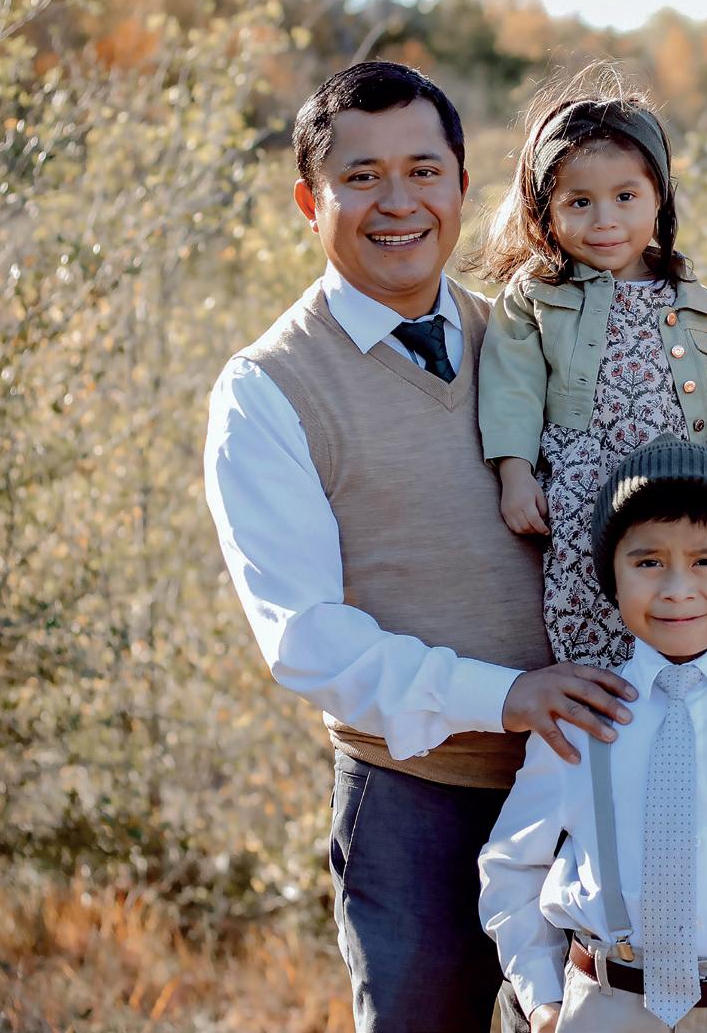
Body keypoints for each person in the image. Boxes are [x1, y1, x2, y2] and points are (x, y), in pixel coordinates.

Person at [204, 61, 637, 1033]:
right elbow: (307, 640)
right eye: (361, 177)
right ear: (309, 201)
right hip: (415, 806)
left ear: (460, 186)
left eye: (422, 171)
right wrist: (508, 696)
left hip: (587, 782)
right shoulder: (268, 390)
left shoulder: (527, 338)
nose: (397, 203)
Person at [479, 433, 707, 1032]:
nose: (676, 588)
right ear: (613, 580)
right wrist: (542, 998)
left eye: (705, 561)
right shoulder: (579, 715)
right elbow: (511, 864)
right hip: (605, 1006)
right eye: (648, 562)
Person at [476, 71, 707, 671]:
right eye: (579, 202)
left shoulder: (700, 307)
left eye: (625, 197)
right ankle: (600, 714)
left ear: (658, 198)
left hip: (677, 492)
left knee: (678, 615)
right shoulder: (538, 296)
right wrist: (515, 473)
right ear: (545, 209)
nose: (604, 221)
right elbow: (512, 386)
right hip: (582, 495)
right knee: (592, 619)